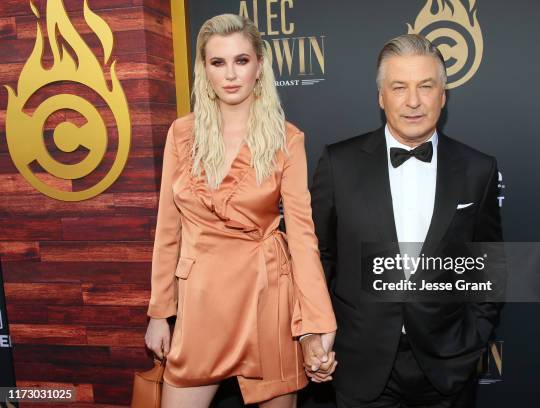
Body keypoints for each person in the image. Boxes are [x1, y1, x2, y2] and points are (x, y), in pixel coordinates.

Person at [144, 14, 337, 408]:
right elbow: (168, 229)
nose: (230, 74)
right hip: (200, 302)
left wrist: (317, 322)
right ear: (204, 69)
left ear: (259, 65)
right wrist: (159, 312)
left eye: (241, 60)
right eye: (218, 62)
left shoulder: (287, 139)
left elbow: (302, 237)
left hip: (265, 297)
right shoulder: (181, 135)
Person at [310, 34, 503, 407]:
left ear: (443, 96)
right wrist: (316, 334)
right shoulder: (339, 164)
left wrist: (470, 340)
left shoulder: (478, 169)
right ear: (381, 97)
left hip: (446, 368)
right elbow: (319, 259)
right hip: (360, 364)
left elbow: (489, 268)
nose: (413, 101)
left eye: (426, 86)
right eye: (399, 87)